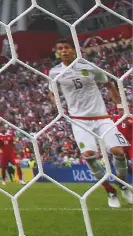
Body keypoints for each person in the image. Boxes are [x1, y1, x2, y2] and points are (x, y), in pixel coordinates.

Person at [49, 38, 132, 208]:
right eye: (60, 48)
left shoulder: (89, 66)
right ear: (57, 52)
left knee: (118, 151)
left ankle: (122, 184)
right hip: (79, 121)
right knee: (88, 156)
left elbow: (109, 85)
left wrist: (120, 107)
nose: (63, 51)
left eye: (66, 48)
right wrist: (58, 107)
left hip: (102, 117)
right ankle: (110, 191)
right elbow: (52, 92)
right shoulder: (54, 72)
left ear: (74, 50)